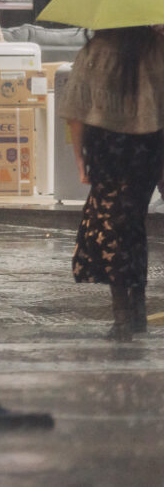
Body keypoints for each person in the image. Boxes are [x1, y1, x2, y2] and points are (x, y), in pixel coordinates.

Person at [58, 26, 164, 342]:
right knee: (131, 225)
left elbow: (76, 112)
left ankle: (124, 318)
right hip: (148, 149)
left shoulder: (94, 52)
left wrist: (79, 159)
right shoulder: (156, 49)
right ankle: (136, 313)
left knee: (113, 229)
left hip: (108, 149)